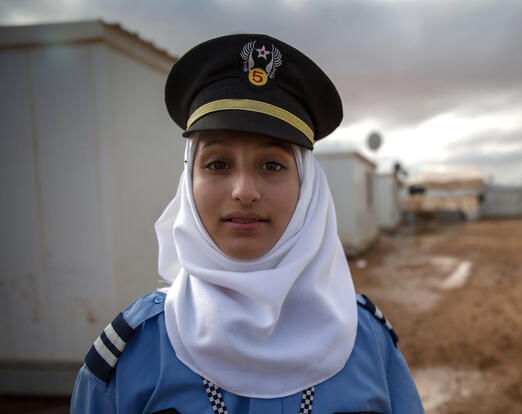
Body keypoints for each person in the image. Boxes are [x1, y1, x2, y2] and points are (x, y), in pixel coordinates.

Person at [70, 34, 424, 413]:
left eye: (272, 165)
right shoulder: (132, 354)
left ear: (307, 188)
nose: (244, 191)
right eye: (218, 164)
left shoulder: (368, 342)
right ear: (189, 183)